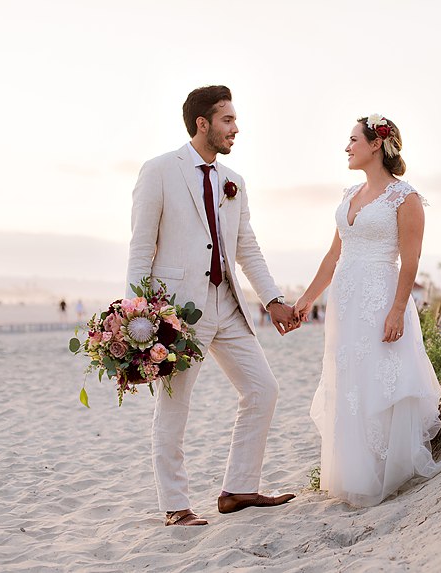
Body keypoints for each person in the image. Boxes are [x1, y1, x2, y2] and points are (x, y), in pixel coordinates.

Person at [125, 85, 298, 527]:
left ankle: (238, 489)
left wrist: (273, 299)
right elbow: (141, 247)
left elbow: (247, 248)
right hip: (177, 315)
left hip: (228, 306)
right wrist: (138, 317)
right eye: (227, 120)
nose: (235, 128)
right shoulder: (160, 170)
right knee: (175, 405)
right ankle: (176, 506)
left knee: (263, 389)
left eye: (235, 120)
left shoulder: (233, 182)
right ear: (203, 123)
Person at [294, 113, 441, 507]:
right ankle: (353, 472)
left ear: (376, 144)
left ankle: (387, 469)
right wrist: (306, 299)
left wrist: (398, 309)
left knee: (379, 378)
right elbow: (334, 255)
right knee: (349, 381)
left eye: (352, 140)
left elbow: (411, 260)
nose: (346, 147)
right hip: (345, 304)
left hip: (381, 298)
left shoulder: (406, 197)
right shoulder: (349, 194)